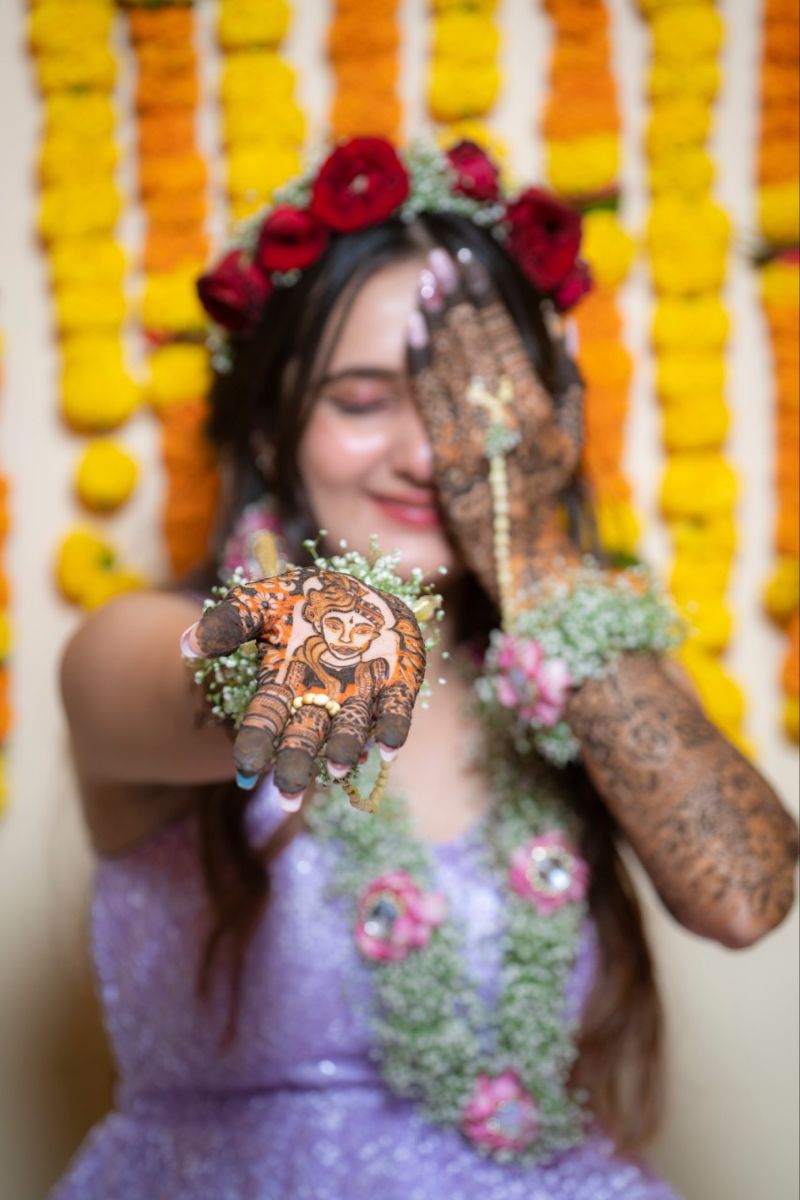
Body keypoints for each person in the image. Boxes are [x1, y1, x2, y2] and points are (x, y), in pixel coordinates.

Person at [52, 138, 798, 1200]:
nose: (428, 453)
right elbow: (283, 680)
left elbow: (743, 897)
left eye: (471, 405)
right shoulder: (134, 643)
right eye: (362, 401)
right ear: (271, 432)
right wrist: (369, 614)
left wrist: (530, 548)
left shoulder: (585, 665)